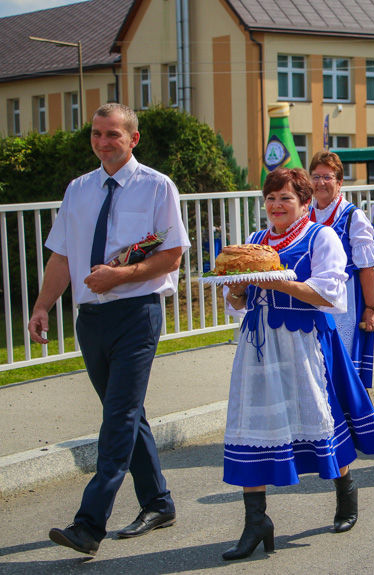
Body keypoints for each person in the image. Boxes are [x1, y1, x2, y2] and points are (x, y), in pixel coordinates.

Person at [27, 103, 190, 556]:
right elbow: (62, 255)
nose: (103, 142)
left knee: (117, 418)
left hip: (136, 313)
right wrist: (43, 305)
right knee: (128, 413)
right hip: (90, 320)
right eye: (97, 134)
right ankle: (159, 502)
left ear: (132, 138)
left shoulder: (157, 187)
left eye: (113, 134)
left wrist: (120, 276)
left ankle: (88, 525)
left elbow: (171, 254)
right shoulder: (78, 189)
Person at [221, 168, 374, 560]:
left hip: (306, 342)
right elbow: (238, 304)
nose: (277, 205)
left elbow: (330, 293)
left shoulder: (320, 236)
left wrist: (276, 280)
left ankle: (345, 491)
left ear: (304, 202)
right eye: (271, 198)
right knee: (254, 425)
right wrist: (239, 289)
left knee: (320, 417)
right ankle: (255, 521)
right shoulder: (255, 242)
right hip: (260, 344)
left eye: (286, 198)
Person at [309, 150, 374, 388]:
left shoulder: (353, 216)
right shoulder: (305, 216)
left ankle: (359, 421)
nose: (321, 183)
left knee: (345, 370)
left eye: (327, 177)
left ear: (339, 182)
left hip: (345, 301)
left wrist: (370, 308)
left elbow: (367, 269)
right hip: (311, 299)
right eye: (316, 176)